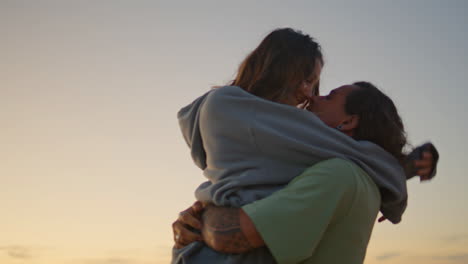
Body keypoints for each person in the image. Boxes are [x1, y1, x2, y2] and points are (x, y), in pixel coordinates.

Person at [172, 28, 438, 263]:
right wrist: (400, 168)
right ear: (278, 68)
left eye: (318, 87)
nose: (310, 95)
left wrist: (202, 217)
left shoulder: (339, 173)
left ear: (349, 122)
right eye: (307, 80)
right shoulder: (227, 106)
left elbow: (233, 234)